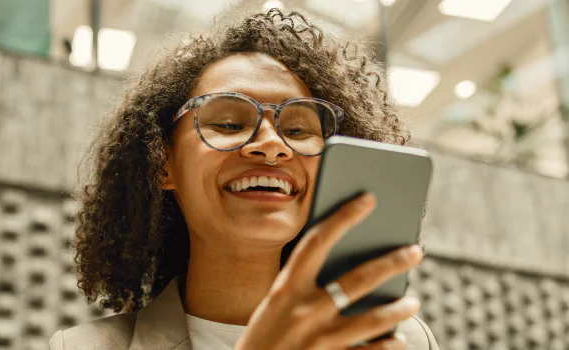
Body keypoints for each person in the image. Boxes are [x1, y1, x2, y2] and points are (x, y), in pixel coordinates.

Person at [49, 8, 438, 350]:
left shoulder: (400, 341)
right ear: (161, 163)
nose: (271, 145)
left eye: (299, 130)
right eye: (229, 123)